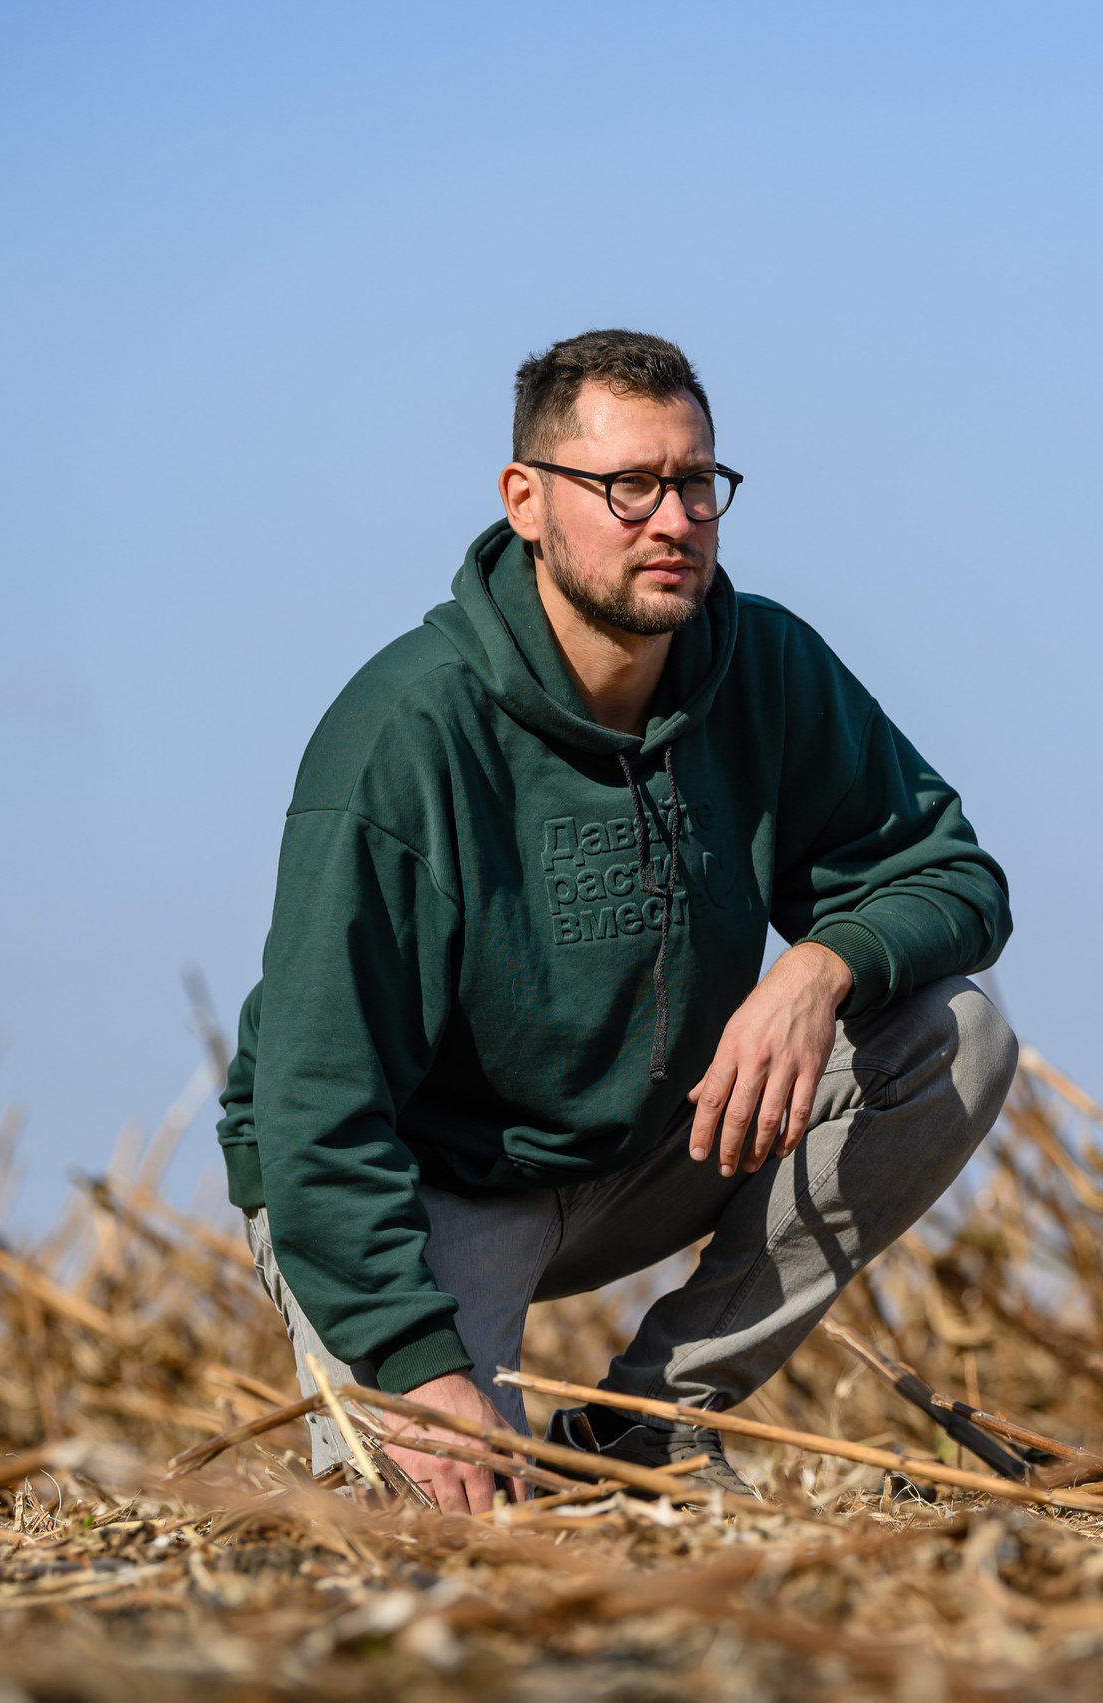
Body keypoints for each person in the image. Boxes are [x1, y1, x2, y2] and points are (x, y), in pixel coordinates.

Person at [218, 329, 1016, 1511]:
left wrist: (818, 967)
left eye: (696, 484)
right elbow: (315, 1109)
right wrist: (419, 1369)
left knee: (955, 1036)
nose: (674, 519)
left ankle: (652, 1423)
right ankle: (450, 1419)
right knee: (456, 1534)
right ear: (526, 501)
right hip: (431, 1187)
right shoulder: (400, 738)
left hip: (650, 1151)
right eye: (628, 486)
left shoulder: (766, 668)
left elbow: (953, 874)